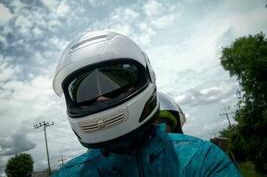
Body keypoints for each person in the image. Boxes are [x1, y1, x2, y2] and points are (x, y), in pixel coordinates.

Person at [52, 30, 241, 176]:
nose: (101, 98)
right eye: (86, 92)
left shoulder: (201, 160)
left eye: (116, 83)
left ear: (146, 76)